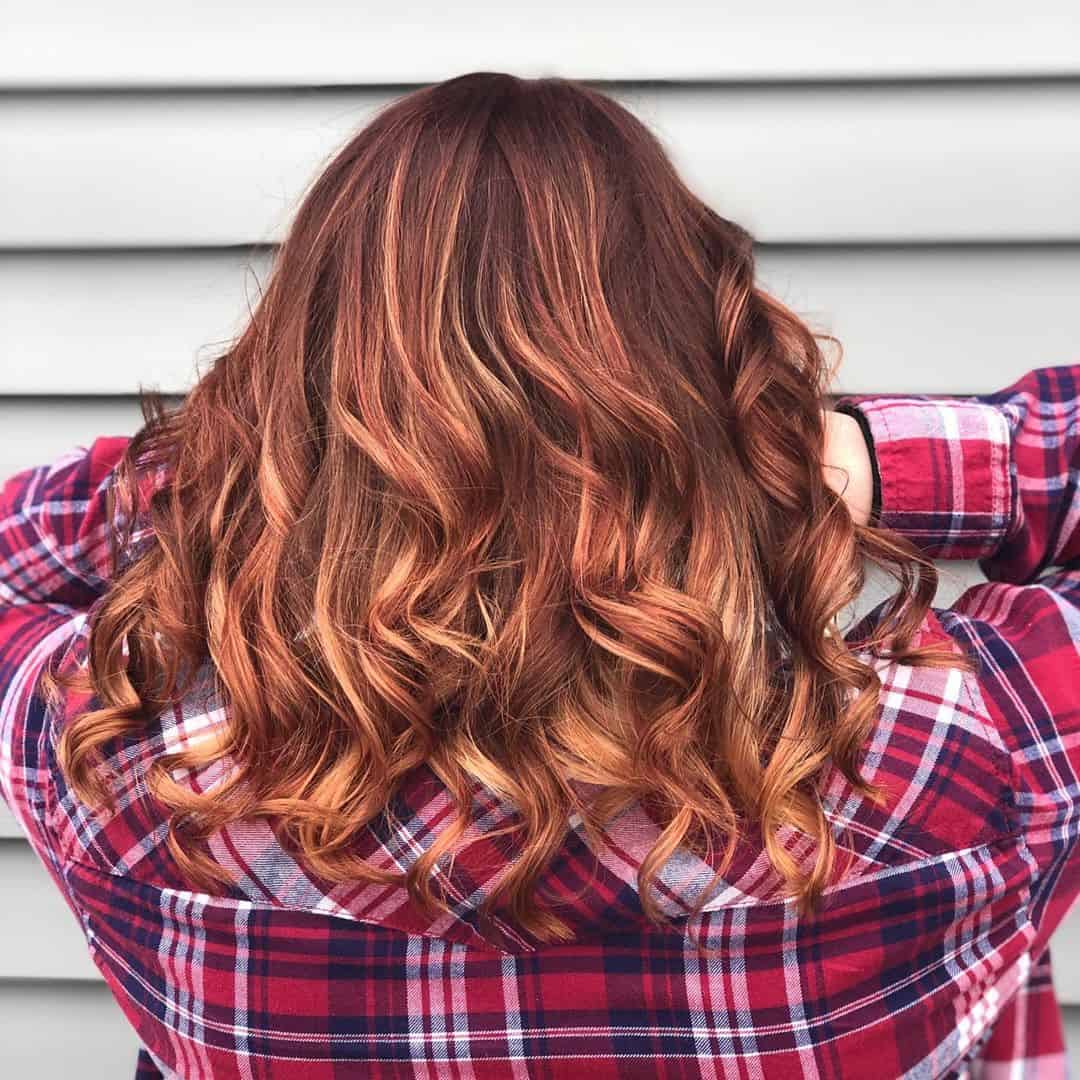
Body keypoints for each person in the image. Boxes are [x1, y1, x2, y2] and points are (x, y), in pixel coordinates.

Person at [0, 72, 1077, 1079]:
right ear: (717, 387)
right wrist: (847, 463)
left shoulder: (116, 772)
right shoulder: (970, 758)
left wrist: (251, 469)